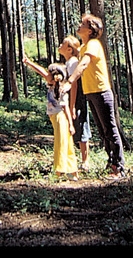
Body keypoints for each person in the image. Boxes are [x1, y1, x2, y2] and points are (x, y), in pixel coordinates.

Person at [62, 13, 125, 177]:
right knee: (103, 132)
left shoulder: (94, 44)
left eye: (83, 24)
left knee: (110, 129)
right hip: (91, 93)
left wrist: (70, 81)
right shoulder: (83, 47)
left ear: (90, 30)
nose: (79, 26)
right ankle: (111, 163)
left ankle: (119, 167)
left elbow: (83, 64)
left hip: (101, 92)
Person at [23, 54, 79, 180]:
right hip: (56, 117)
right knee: (65, 142)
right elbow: (41, 71)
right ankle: (71, 171)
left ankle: (60, 171)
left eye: (48, 74)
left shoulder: (62, 90)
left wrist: (70, 125)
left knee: (61, 143)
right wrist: (29, 62)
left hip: (61, 118)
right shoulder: (52, 85)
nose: (45, 76)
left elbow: (65, 109)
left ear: (54, 77)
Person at [58, 35, 91, 172]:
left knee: (81, 127)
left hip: (77, 99)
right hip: (71, 99)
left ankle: (85, 161)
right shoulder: (68, 62)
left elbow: (75, 85)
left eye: (63, 44)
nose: (60, 45)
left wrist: (72, 105)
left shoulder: (72, 62)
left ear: (70, 49)